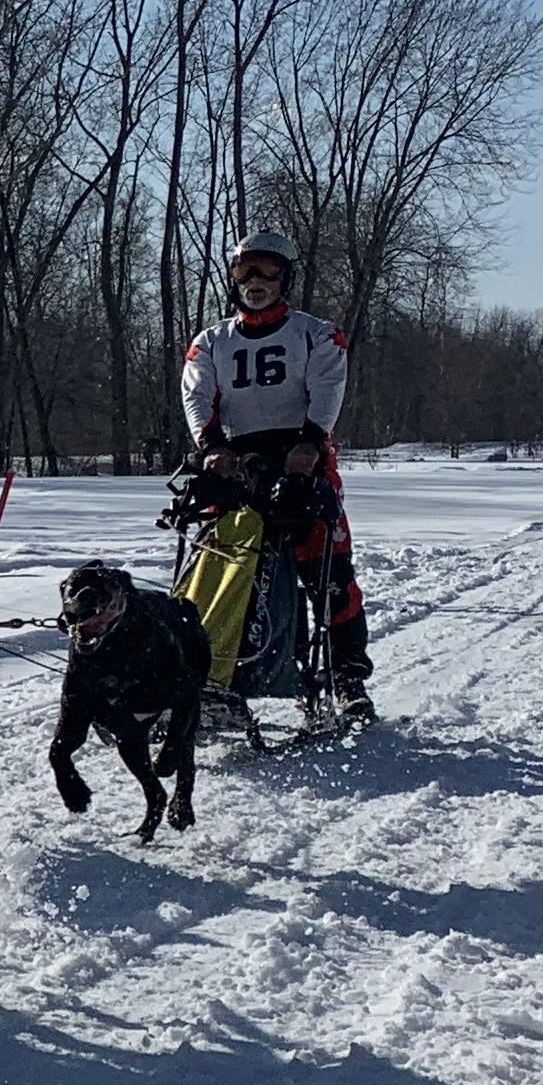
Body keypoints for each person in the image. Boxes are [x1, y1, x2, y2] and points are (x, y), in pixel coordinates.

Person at [178, 229, 374, 718]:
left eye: (267, 271)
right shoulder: (211, 342)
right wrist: (212, 448)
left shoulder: (316, 333)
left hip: (302, 463)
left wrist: (309, 443)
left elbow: (327, 387)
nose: (256, 281)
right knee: (220, 567)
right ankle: (211, 671)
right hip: (238, 467)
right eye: (245, 271)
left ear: (285, 278)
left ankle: (347, 677)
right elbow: (197, 396)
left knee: (328, 576)